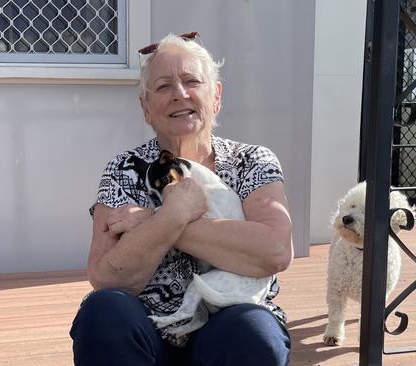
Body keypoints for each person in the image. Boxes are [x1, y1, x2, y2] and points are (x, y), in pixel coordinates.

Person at [69, 32, 294, 366]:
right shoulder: (126, 169)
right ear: (146, 108)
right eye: (162, 86)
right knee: (103, 313)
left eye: (192, 81)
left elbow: (275, 251)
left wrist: (153, 220)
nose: (179, 94)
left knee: (254, 333)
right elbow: (106, 274)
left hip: (230, 322)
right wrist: (174, 214)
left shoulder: (252, 161)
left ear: (215, 97)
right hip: (149, 330)